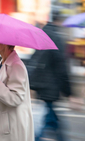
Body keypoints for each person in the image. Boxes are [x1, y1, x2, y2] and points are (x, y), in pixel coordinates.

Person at [28, 12, 72, 141]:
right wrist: (68, 92)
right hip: (50, 87)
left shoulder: (42, 35)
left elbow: (34, 59)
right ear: (58, 21)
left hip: (40, 85)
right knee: (47, 120)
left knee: (51, 119)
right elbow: (61, 67)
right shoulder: (56, 38)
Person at [0, 42, 34, 141]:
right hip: (2, 126)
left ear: (3, 44)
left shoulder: (16, 66)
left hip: (11, 130)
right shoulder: (3, 62)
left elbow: (16, 98)